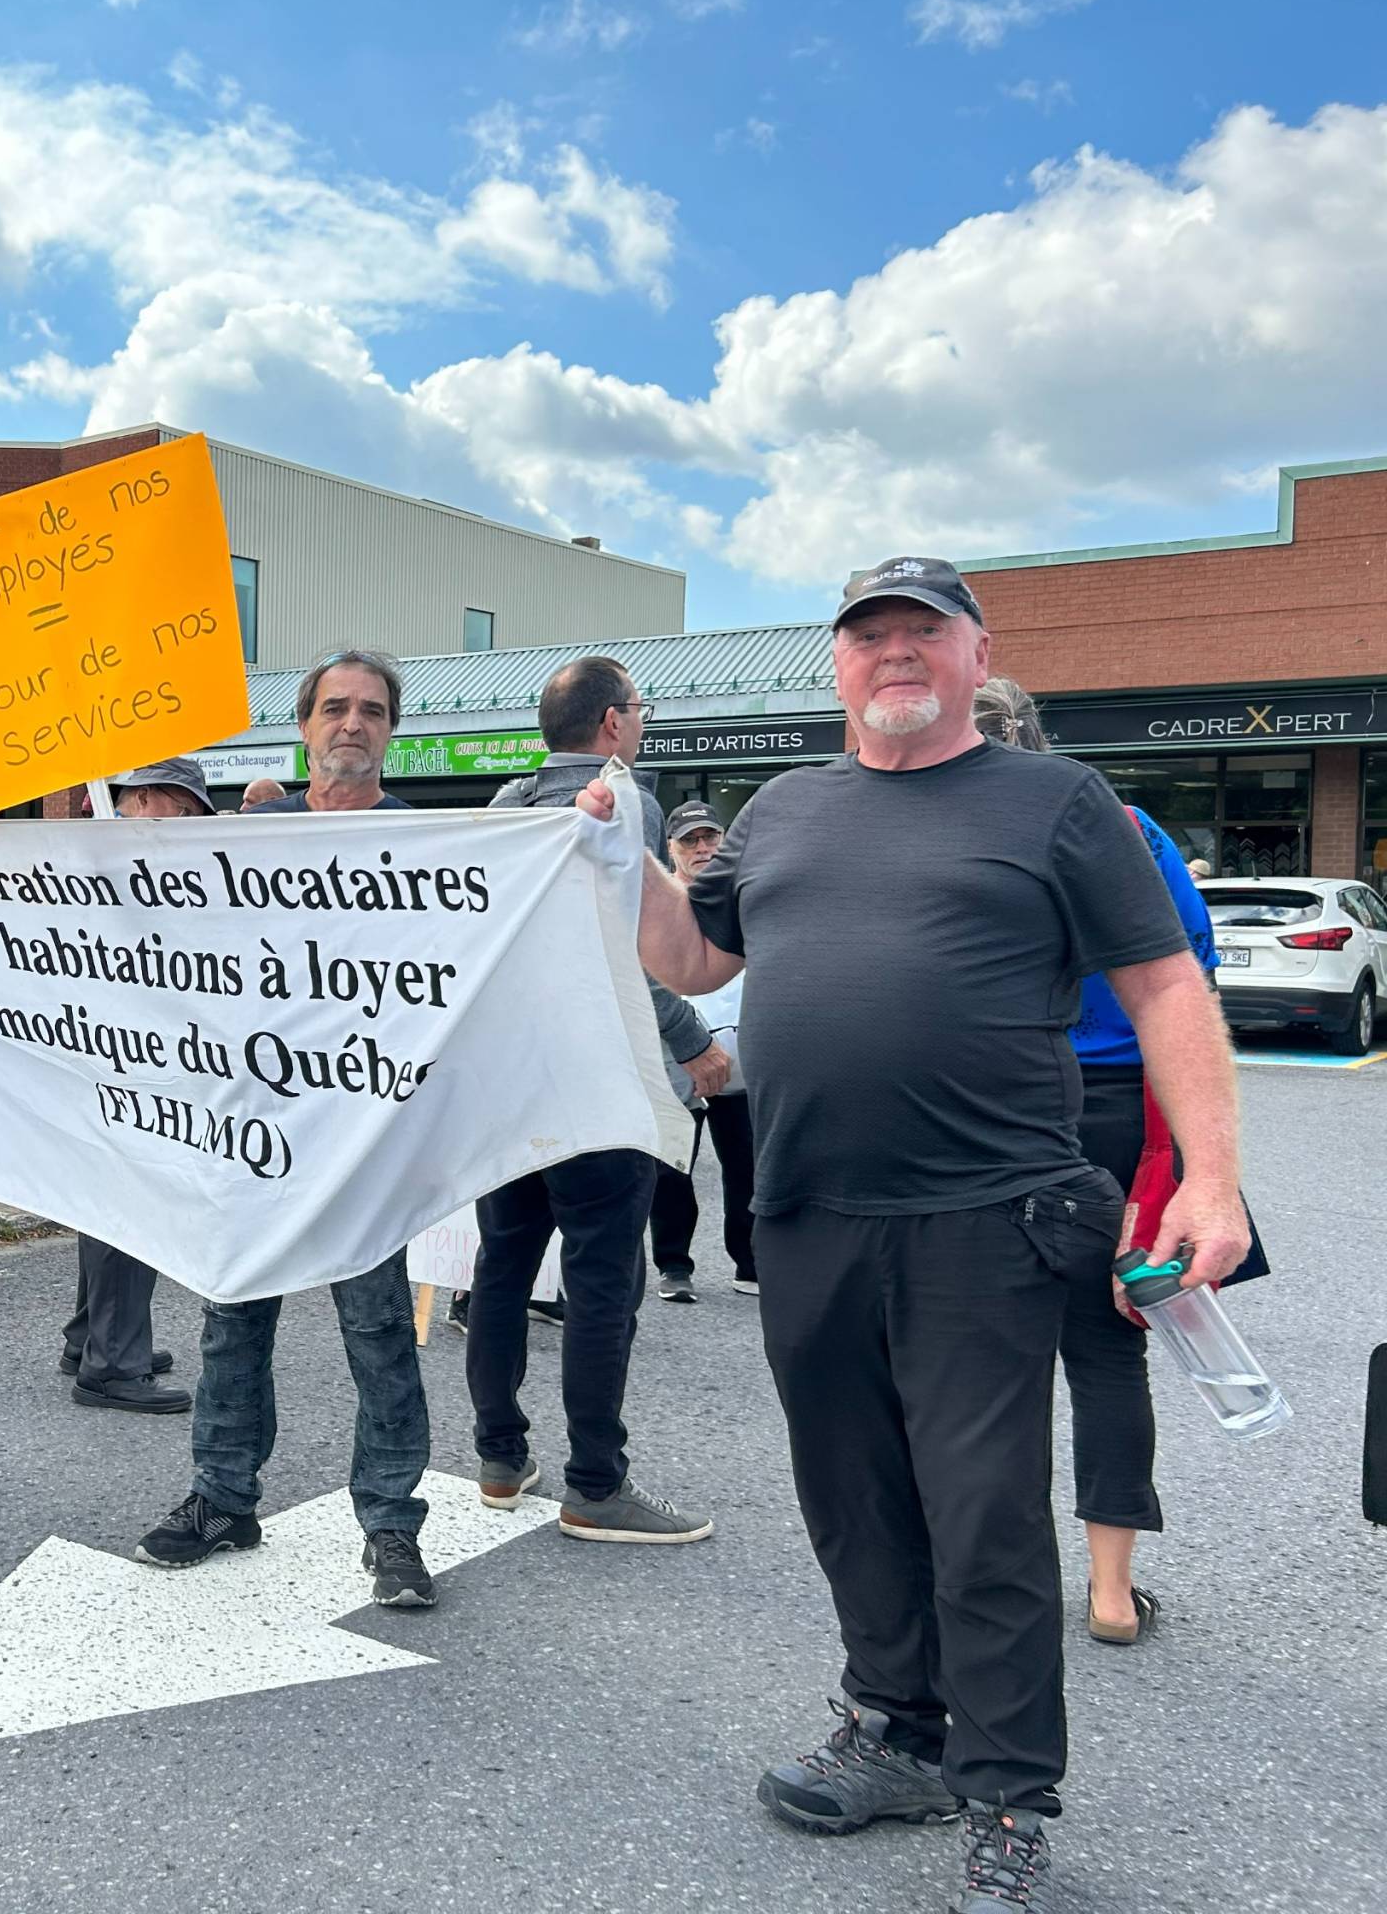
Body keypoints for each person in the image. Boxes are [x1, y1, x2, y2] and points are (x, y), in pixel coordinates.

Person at [589, 557, 1249, 1914]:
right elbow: (695, 964)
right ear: (837, 666)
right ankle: (896, 1729)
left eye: (922, 633)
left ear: (972, 653)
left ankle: (1007, 1795)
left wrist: (1212, 1179)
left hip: (986, 1219)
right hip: (807, 1213)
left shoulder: (1056, 804)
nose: (896, 654)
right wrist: (624, 860)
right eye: (870, 635)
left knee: (982, 1510)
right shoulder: (783, 810)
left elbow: (1166, 981)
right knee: (852, 1497)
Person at [134, 652, 438, 1609]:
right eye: (335, 708)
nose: (353, 723)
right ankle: (224, 1498)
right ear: (303, 725)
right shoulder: (251, 835)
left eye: (372, 711)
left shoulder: (435, 844)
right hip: (251, 1129)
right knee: (233, 1320)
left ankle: (390, 1525)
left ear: (392, 731)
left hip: (365, 1140)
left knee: (381, 1333)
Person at [974, 676, 1220, 1648]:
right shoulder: (1122, 828)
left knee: (986, 1353)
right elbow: (1188, 976)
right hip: (1119, 1111)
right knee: (1107, 1349)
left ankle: (991, 1571)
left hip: (995, 1109)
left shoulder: (956, 842)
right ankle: (1111, 1594)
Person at [460, 657, 717, 1545]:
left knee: (502, 1263)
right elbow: (628, 954)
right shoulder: (624, 801)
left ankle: (500, 1457)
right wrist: (694, 1041)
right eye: (639, 712)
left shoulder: (504, 807)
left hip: (512, 1080)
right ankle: (596, 1483)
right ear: (612, 724)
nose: (639, 727)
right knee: (603, 1279)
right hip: (597, 1074)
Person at [58, 758, 211, 1415]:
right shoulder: (116, 862)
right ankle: (112, 1362)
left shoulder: (101, 855)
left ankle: (94, 1339)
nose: (193, 823)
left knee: (108, 1200)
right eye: (185, 808)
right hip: (125, 1055)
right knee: (131, 1201)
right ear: (144, 798)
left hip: (107, 1053)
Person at [648, 801, 758, 1301]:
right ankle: (674, 1265)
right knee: (673, 1167)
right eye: (690, 841)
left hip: (740, 1060)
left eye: (710, 837)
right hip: (678, 1056)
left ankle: (750, 1265)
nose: (703, 848)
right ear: (671, 849)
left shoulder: (744, 898)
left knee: (749, 1169)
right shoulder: (661, 903)